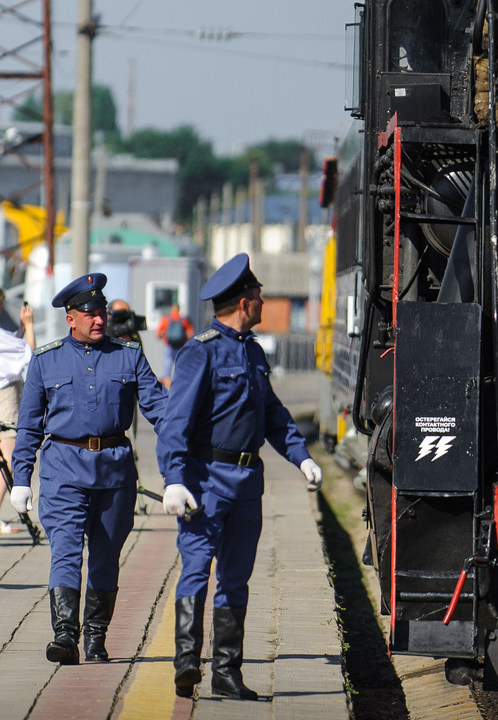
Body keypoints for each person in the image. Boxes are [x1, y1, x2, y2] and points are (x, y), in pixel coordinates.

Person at [155, 253, 321, 700]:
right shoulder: (199, 351)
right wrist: (174, 478)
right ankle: (187, 662)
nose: (264, 301)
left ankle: (227, 673)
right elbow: (175, 422)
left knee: (236, 577)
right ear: (245, 303)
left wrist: (301, 457)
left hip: (247, 483)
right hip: (205, 479)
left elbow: (272, 414)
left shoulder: (251, 352)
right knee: (195, 568)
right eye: (259, 296)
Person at [8, 273, 168, 664]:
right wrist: (21, 478)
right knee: (64, 550)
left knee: (105, 554)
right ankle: (65, 635)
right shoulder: (47, 361)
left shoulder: (129, 355)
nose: (99, 319)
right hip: (63, 468)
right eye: (90, 313)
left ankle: (95, 636)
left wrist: (190, 453)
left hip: (114, 471)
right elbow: (29, 425)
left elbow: (161, 412)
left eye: (103, 312)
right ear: (70, 317)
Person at [0, 292, 35, 533]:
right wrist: (30, 326)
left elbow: (13, 348)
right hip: (5, 398)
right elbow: (29, 353)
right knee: (9, 459)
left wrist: (21, 331)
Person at [155, 303, 193, 380]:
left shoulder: (165, 319)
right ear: (179, 310)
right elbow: (190, 333)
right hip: (180, 345)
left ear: (171, 309)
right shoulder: (183, 320)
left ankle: (167, 385)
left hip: (168, 345)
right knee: (180, 366)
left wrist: (164, 335)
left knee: (167, 368)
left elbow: (158, 334)